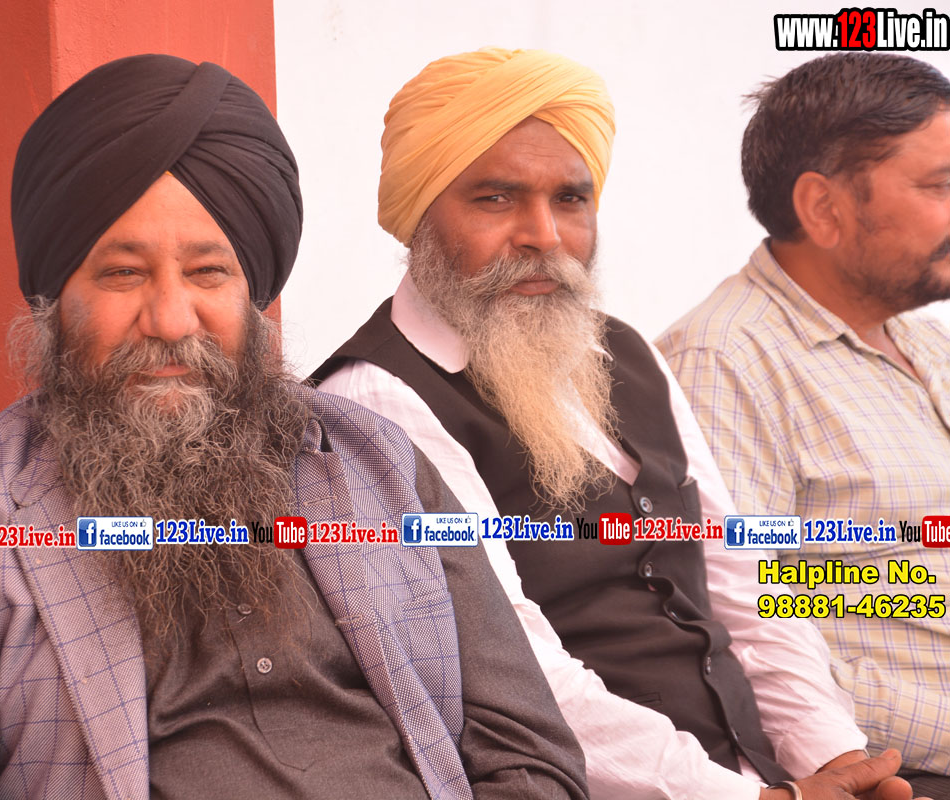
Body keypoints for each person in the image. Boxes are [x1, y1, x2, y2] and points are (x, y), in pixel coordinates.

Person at [0, 54, 590, 800]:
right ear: (55, 298)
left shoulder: (379, 461)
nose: (169, 320)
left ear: (252, 294)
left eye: (207, 272)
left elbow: (527, 750)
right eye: (123, 273)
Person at [314, 46, 919, 800]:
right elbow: (511, 668)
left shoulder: (623, 351)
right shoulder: (376, 397)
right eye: (495, 198)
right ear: (417, 218)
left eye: (570, 199)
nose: (543, 234)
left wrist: (832, 759)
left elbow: (739, 578)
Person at [657, 52, 950, 797]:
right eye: (940, 186)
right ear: (823, 208)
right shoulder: (723, 359)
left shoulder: (924, 342)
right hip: (897, 771)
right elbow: (739, 629)